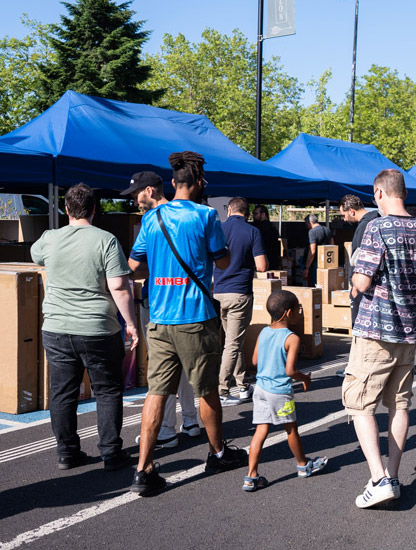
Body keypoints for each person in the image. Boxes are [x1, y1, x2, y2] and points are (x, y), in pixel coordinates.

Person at [128, 151, 247, 496]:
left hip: (160, 318)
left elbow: (135, 267)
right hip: (196, 317)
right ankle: (217, 452)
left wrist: (163, 270)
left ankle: (143, 469)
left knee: (156, 392)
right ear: (195, 184)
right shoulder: (207, 216)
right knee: (206, 389)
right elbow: (222, 262)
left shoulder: (151, 219)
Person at [343, 169, 416, 508]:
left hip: (375, 329)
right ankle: (392, 475)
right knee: (400, 404)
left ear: (379, 193)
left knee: (359, 403)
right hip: (408, 330)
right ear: (404, 194)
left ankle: (379, 478)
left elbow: (363, 282)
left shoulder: (375, 228)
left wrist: (355, 274)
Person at [31, 183, 138, 471]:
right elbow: (119, 286)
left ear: (66, 208)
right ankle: (110, 452)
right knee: (107, 390)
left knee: (63, 392)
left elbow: (36, 256)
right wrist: (130, 324)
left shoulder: (49, 238)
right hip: (97, 328)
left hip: (56, 326)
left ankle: (67, 452)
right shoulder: (106, 240)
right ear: (94, 209)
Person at [121, 171, 200, 449]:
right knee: (187, 367)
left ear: (151, 191)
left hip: (161, 306)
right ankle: (190, 419)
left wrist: (147, 271)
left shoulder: (150, 220)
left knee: (162, 371)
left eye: (136, 194)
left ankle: (166, 428)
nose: (134, 200)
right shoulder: (194, 215)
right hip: (191, 306)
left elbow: (132, 266)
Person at [242, 290, 328, 492]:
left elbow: (254, 361)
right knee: (291, 429)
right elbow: (289, 371)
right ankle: (302, 465)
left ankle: (251, 476)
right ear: (289, 313)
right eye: (298, 308)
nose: (300, 312)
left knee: (260, 430)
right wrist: (305, 378)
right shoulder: (292, 338)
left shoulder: (264, 332)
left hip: (261, 389)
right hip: (280, 393)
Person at [214, 197, 268, 406]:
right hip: (240, 292)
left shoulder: (218, 229)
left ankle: (243, 385)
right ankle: (222, 389)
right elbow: (262, 266)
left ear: (229, 211)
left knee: (232, 341)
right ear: (247, 213)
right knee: (233, 343)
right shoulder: (253, 231)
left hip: (217, 291)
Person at [339, 195, 381, 324]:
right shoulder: (378, 219)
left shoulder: (365, 225)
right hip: (375, 284)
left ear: (351, 211)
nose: (344, 219)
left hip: (364, 284)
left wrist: (355, 286)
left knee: (360, 324)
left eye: (344, 215)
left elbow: (360, 258)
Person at [304, 214, 334, 287]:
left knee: (315, 286)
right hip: (327, 262)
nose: (306, 226)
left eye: (306, 224)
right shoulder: (327, 230)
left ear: (310, 223)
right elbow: (333, 246)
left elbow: (312, 251)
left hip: (315, 264)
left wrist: (307, 267)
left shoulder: (312, 232)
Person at [252, 205, 281, 270]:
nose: (253, 216)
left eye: (256, 214)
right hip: (273, 261)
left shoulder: (259, 228)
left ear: (263, 214)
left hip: (264, 260)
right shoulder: (273, 227)